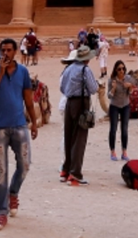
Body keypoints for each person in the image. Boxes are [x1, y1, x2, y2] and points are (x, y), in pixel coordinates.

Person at [0, 37, 39, 231]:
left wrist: (33, 123)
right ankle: (1, 211)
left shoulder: (23, 72)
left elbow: (28, 99)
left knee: (25, 165)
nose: (6, 53)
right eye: (3, 50)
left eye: (9, 50)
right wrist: (0, 72)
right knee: (1, 172)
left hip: (19, 124)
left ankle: (13, 192)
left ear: (15, 51)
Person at [58, 45, 98, 185]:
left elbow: (62, 87)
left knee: (68, 137)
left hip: (69, 102)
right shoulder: (85, 70)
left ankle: (66, 169)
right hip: (81, 103)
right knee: (79, 139)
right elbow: (93, 89)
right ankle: (75, 174)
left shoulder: (68, 69)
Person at [106, 60, 135, 161]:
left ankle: (124, 151)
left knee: (124, 129)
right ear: (116, 70)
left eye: (123, 68)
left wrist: (130, 87)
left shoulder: (128, 78)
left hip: (125, 105)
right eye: (119, 69)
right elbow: (109, 96)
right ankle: (112, 151)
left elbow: (130, 93)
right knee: (113, 129)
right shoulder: (112, 80)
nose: (121, 71)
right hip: (114, 106)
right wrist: (113, 89)